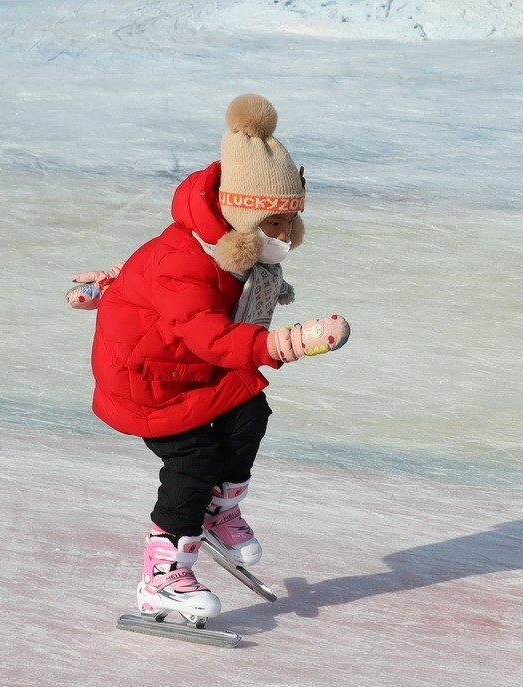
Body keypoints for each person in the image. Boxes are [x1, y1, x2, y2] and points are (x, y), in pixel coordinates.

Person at [73, 93, 350, 625]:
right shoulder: (187, 260)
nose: (286, 240)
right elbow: (208, 333)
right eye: (274, 226)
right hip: (146, 380)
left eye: (290, 225)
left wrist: (113, 285)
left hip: (182, 365)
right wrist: (288, 343)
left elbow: (162, 290)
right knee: (193, 458)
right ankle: (163, 575)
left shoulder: (221, 246)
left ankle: (219, 509)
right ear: (242, 215)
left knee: (250, 411)